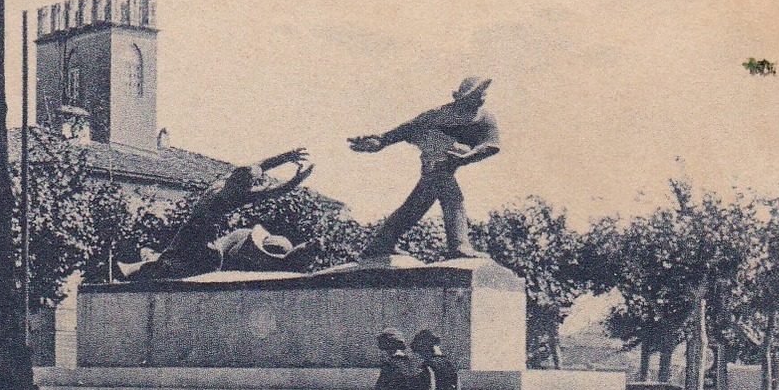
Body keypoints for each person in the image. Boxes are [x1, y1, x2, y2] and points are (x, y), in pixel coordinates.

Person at [349, 77, 500, 260]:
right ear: (460, 97)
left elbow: (491, 145)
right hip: (435, 164)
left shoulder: (485, 119)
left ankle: (380, 244)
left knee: (414, 207)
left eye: (482, 93)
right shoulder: (440, 114)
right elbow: (407, 129)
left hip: (448, 165)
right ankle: (459, 246)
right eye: (474, 94)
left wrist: (466, 158)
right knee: (452, 197)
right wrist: (381, 140)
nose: (480, 97)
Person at [118, 148, 313, 280]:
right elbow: (273, 191)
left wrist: (285, 157)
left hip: (189, 230)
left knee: (174, 259)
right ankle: (145, 268)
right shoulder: (233, 197)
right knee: (201, 267)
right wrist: (296, 180)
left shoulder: (221, 184)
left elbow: (259, 165)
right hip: (201, 238)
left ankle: (136, 267)